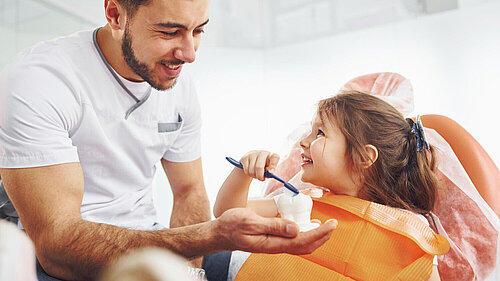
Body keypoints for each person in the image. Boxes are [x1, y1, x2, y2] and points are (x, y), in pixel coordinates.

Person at [0, 0, 337, 280]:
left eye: (198, 30)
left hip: (154, 236)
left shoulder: (177, 86)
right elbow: (57, 247)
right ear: (115, 14)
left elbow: (189, 191)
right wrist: (207, 237)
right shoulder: (41, 81)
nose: (189, 54)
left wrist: (190, 272)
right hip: (65, 261)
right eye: (170, 31)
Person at [214, 91, 450, 281]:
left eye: (320, 133)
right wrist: (242, 173)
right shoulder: (304, 201)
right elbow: (227, 214)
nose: (303, 142)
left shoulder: (411, 230)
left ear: (364, 157)